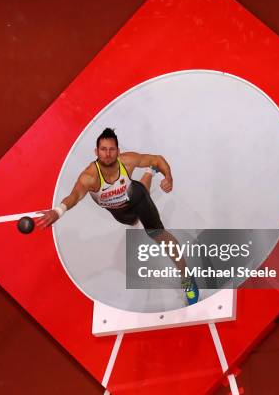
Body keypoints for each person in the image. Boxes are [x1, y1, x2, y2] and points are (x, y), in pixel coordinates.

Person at [36, 128, 199, 305]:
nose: (107, 154)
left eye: (111, 149)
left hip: (137, 198)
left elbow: (157, 159)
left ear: (118, 151)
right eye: (103, 149)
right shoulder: (89, 177)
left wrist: (169, 177)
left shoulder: (126, 161)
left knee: (157, 234)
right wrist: (58, 211)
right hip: (119, 212)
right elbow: (74, 196)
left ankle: (187, 278)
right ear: (96, 152)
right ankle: (150, 172)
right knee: (132, 220)